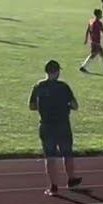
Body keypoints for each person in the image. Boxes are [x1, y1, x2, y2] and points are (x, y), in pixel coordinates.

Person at [28, 60, 81, 196]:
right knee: (67, 153)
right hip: (63, 125)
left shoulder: (38, 86)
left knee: (50, 156)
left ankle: (53, 186)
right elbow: (75, 105)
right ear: (57, 72)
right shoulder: (63, 87)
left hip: (46, 126)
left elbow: (32, 106)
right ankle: (71, 179)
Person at [80, 9, 103, 73]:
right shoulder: (99, 23)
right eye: (101, 14)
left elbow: (87, 30)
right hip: (96, 42)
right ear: (98, 15)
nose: (101, 15)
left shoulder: (91, 21)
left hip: (93, 41)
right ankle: (83, 67)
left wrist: (86, 39)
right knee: (93, 55)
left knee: (101, 54)